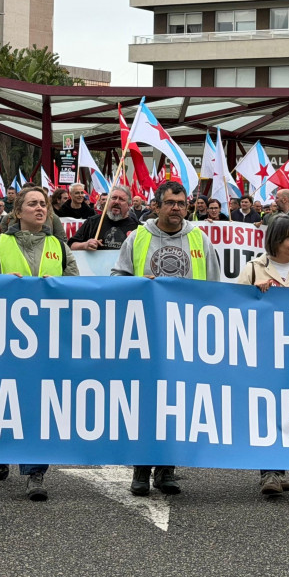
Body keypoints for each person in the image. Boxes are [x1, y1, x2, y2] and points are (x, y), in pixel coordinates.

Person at [112, 180, 222, 497]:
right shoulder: (138, 238)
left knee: (177, 405)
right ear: (156, 206)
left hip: (186, 338)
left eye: (181, 202)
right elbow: (116, 279)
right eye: (170, 202)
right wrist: (137, 285)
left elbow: (215, 288)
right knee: (146, 404)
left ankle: (167, 470)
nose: (176, 207)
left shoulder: (201, 240)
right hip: (146, 337)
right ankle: (141, 470)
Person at [0, 185, 78, 501]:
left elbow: (78, 291)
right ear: (17, 212)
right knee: (3, 400)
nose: (39, 208)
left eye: (43, 203)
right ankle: (0, 452)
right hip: (5, 340)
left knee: (38, 405)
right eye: (32, 203)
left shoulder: (60, 248)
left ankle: (36, 473)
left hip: (45, 341)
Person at [237, 215, 289, 497]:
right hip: (263, 352)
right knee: (267, 409)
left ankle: (279, 469)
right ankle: (268, 471)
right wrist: (253, 294)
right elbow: (234, 306)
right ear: (276, 240)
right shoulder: (253, 268)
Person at [68, 184, 140, 251]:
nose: (116, 202)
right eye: (114, 198)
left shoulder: (137, 227)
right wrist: (85, 245)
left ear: (129, 205)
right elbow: (71, 245)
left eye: (121, 199)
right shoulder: (93, 222)